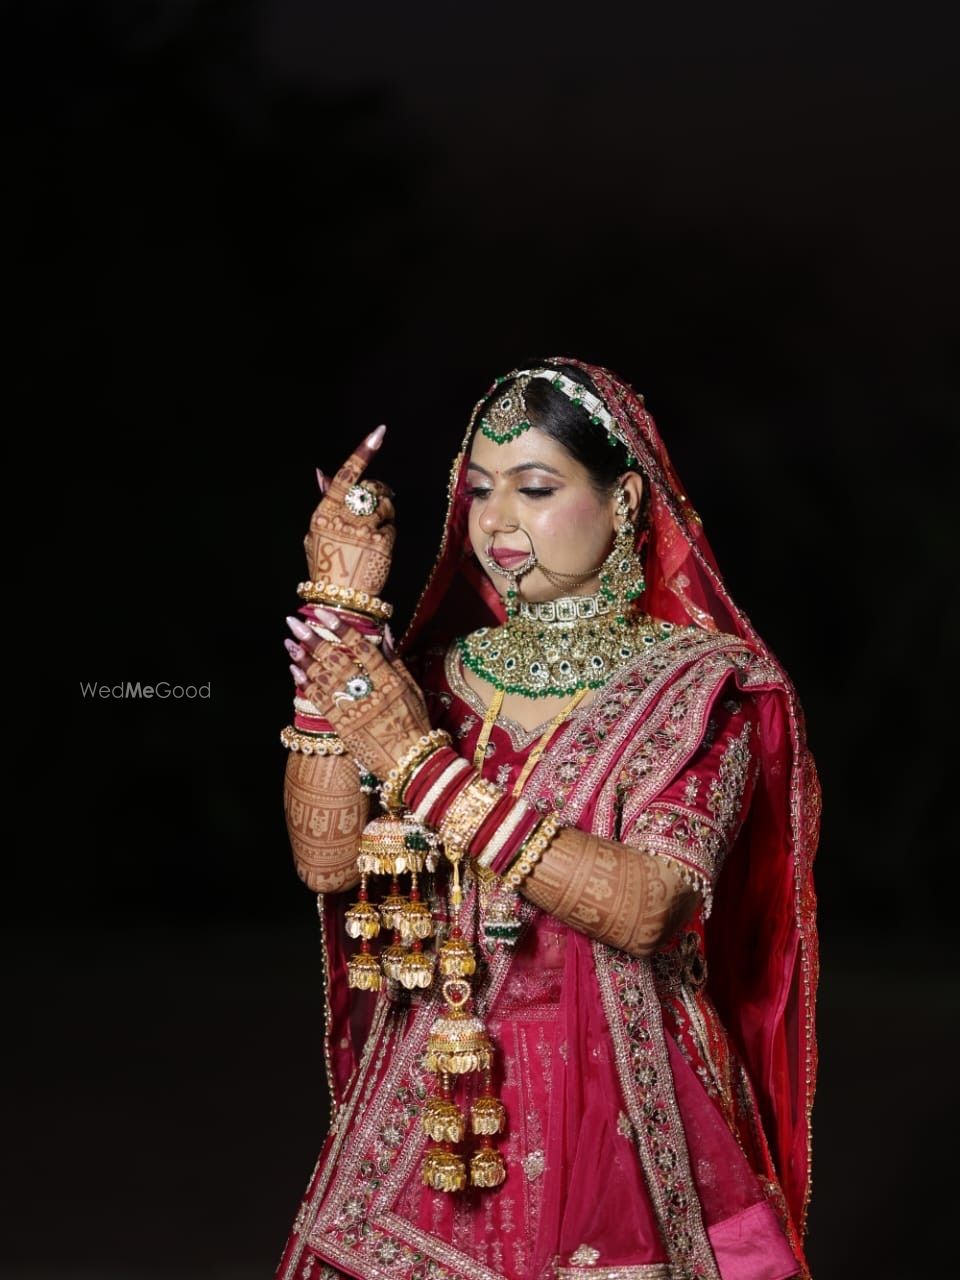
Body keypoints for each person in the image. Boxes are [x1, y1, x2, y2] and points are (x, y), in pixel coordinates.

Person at [275, 359, 821, 1280]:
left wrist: (420, 768)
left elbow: (648, 906)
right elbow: (327, 865)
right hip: (431, 1108)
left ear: (625, 501)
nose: (496, 522)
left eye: (534, 489)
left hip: (621, 1101)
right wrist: (340, 617)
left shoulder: (701, 689)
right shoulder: (436, 678)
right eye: (479, 491)